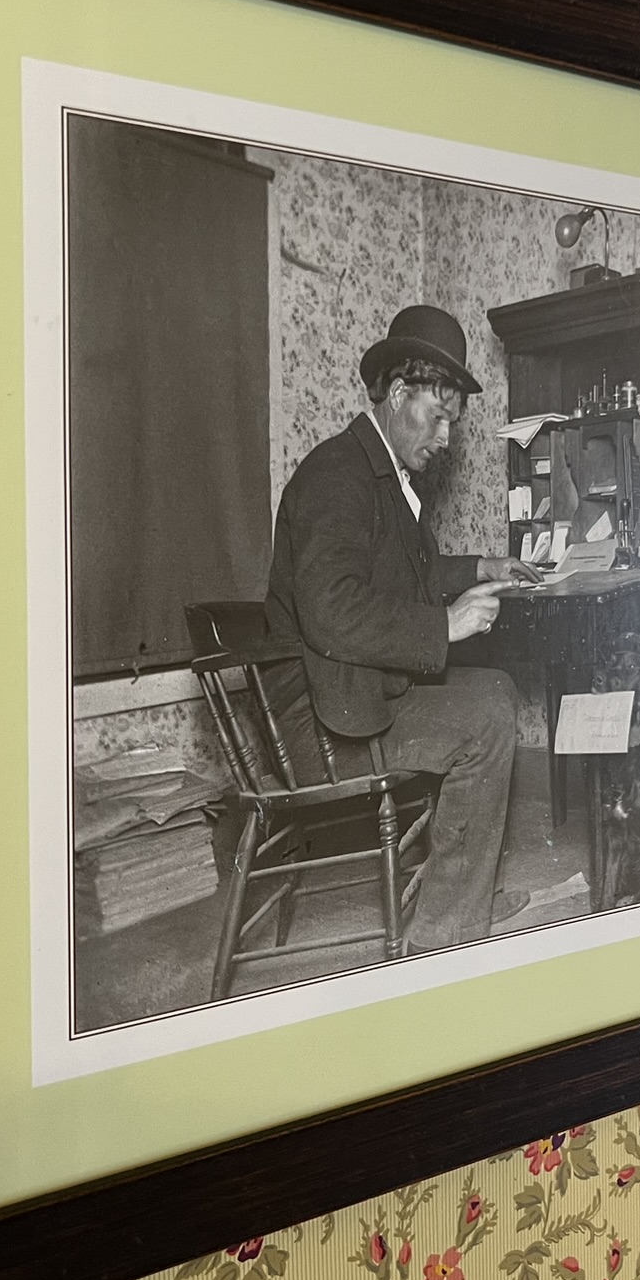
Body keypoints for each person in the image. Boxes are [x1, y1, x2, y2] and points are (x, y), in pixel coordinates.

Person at [264, 304, 541, 951]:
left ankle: (460, 891)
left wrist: (482, 566)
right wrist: (445, 623)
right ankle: (444, 934)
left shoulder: (380, 475)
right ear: (396, 395)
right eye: (436, 417)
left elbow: (404, 573)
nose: (444, 438)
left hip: (352, 690)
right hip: (321, 722)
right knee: (486, 715)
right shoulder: (337, 475)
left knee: (494, 689)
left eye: (452, 423)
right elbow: (331, 607)